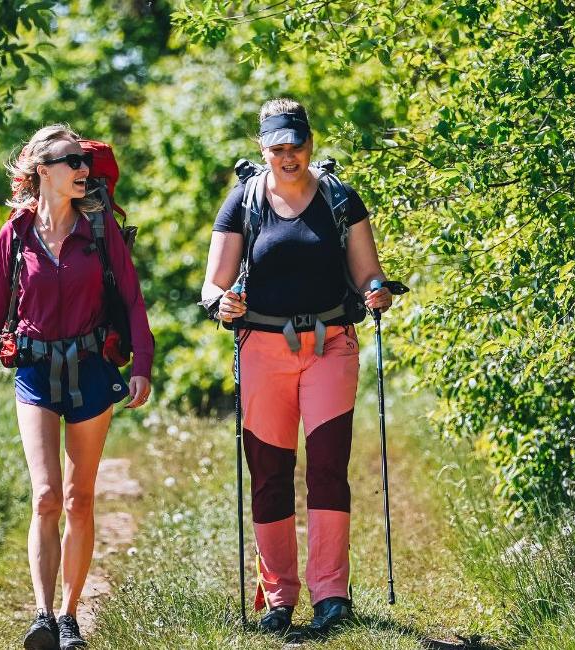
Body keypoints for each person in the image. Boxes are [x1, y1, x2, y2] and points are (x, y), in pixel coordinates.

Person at [201, 99, 394, 636]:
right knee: (269, 473)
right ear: (263, 149)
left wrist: (377, 293)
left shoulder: (339, 198)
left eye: (297, 147)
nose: (289, 157)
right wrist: (222, 303)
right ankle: (278, 596)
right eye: (278, 149)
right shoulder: (242, 201)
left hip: (331, 343)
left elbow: (368, 276)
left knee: (329, 466)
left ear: (310, 144)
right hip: (262, 349)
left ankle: (332, 594)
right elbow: (212, 284)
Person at [0, 124, 154, 650]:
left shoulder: (99, 229)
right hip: (35, 372)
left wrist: (144, 365)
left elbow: (133, 300)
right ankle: (42, 616)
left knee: (79, 497)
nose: (82, 170)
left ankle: (70, 618)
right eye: (71, 160)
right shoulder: (15, 234)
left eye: (84, 161)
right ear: (42, 169)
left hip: (92, 367)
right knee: (45, 496)